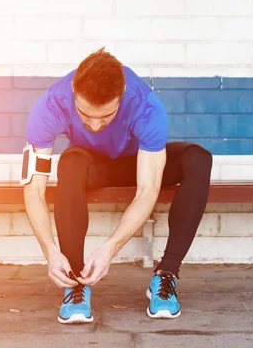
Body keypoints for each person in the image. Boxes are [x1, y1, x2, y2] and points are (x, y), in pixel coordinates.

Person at [22, 47, 212, 324]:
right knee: (70, 160)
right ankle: (75, 281)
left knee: (198, 158)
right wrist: (50, 251)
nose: (96, 126)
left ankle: (167, 274)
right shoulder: (51, 104)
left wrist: (109, 248)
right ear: (74, 90)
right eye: (86, 117)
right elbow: (34, 189)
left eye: (106, 117)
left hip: (139, 164)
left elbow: (147, 190)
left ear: (121, 95)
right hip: (92, 166)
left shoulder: (146, 106)